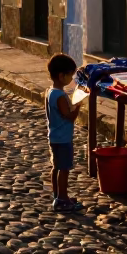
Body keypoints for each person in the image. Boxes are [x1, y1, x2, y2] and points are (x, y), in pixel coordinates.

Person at [46, 53, 85, 213]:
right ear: (62, 76)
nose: (71, 78)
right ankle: (62, 199)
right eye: (70, 75)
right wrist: (78, 105)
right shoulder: (60, 96)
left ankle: (58, 195)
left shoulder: (50, 92)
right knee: (64, 169)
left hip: (54, 136)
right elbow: (69, 117)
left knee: (56, 167)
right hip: (62, 139)